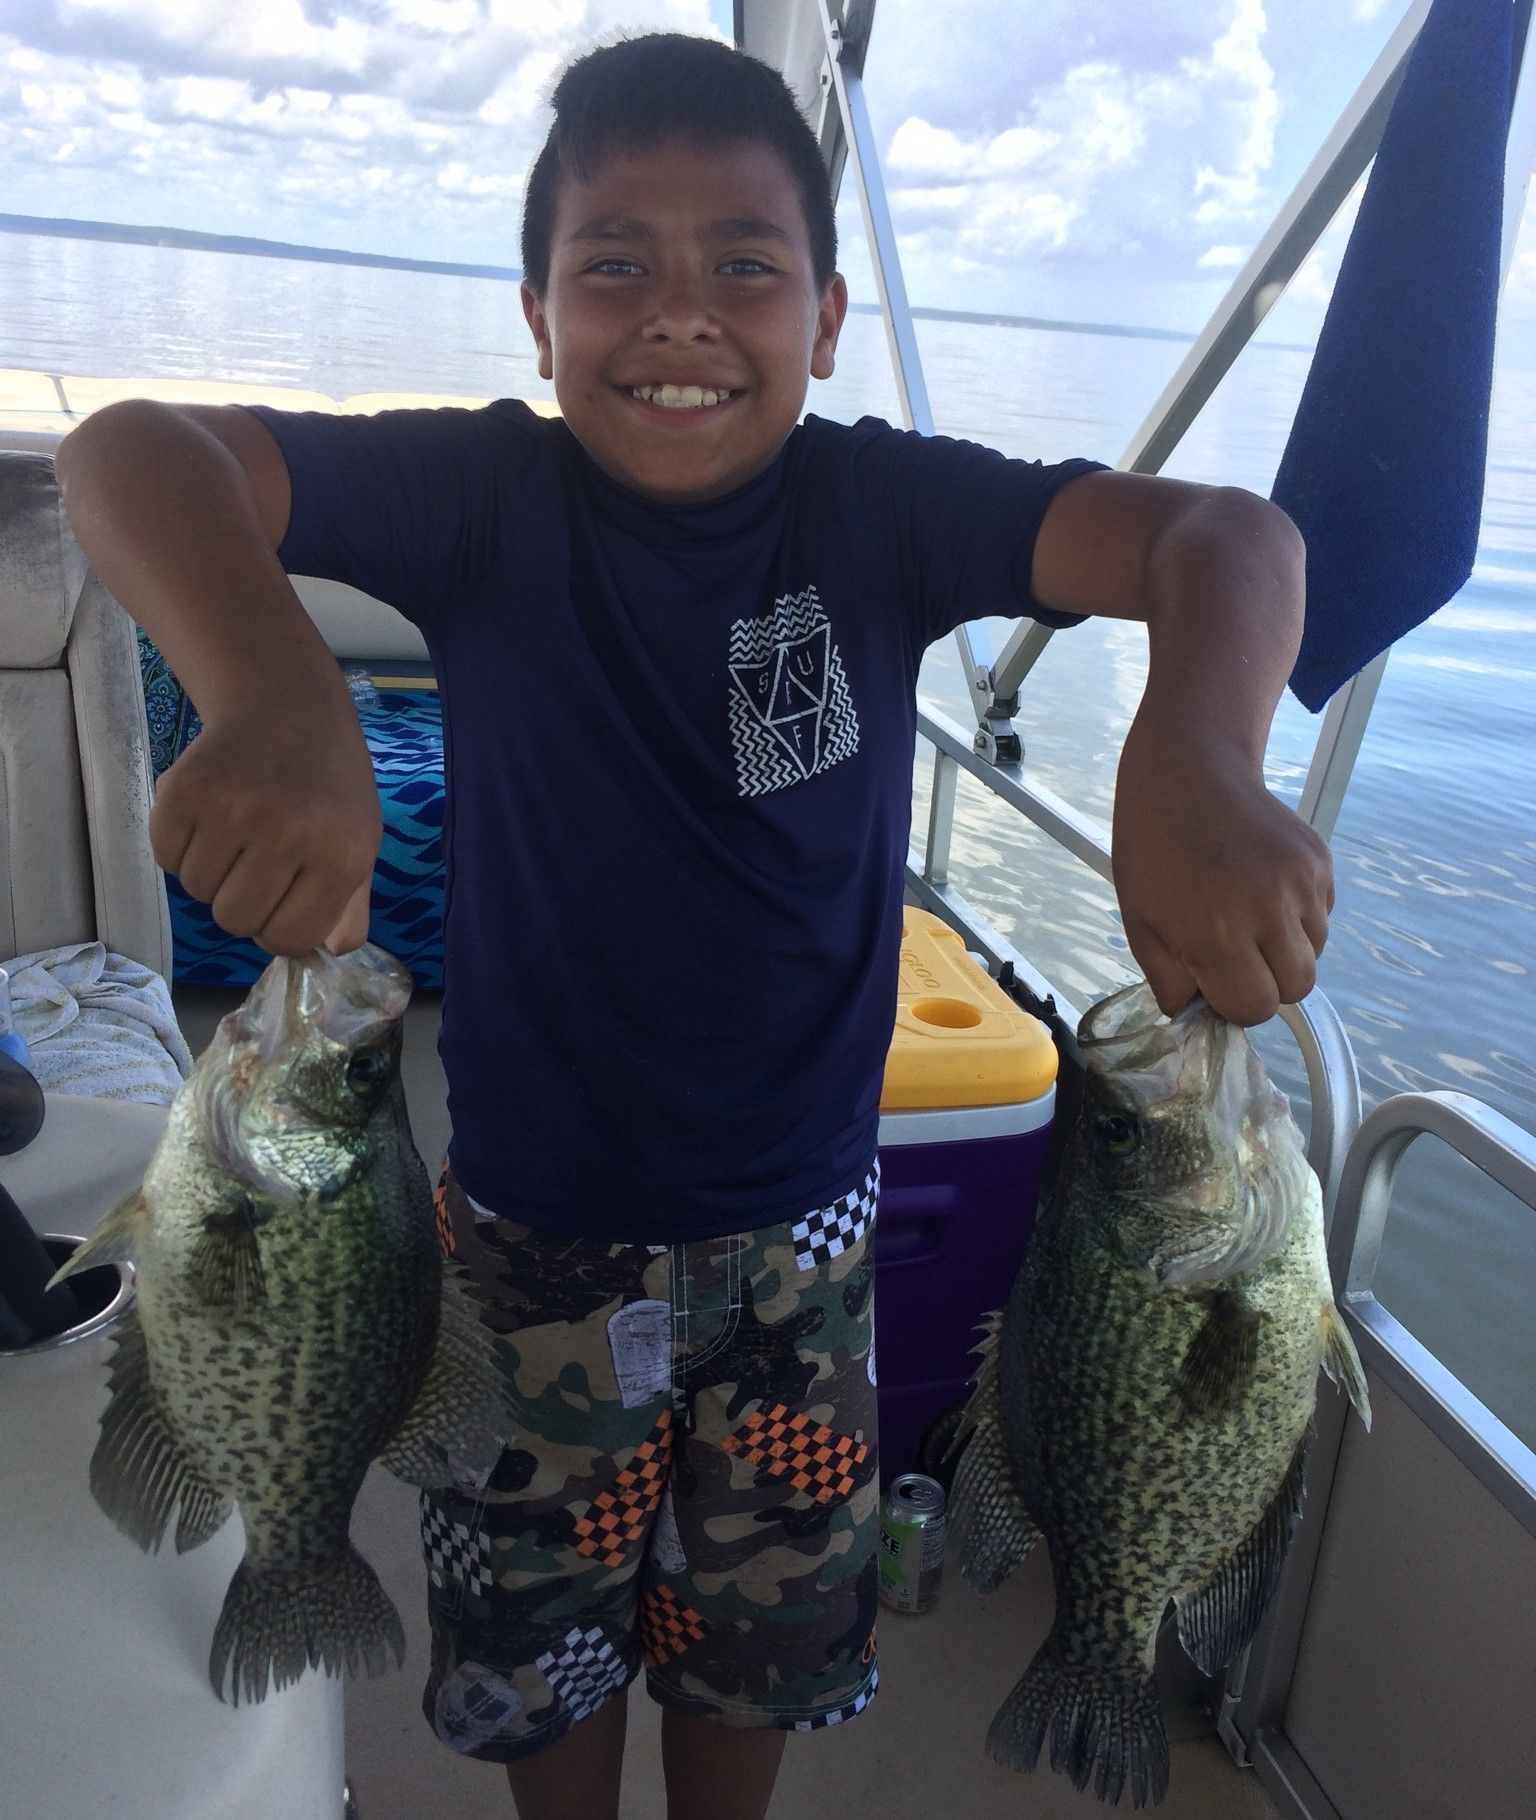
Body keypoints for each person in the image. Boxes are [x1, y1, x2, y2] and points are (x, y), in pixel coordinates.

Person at [54, 31, 1332, 1820]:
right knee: (538, 1643)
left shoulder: (884, 505)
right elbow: (136, 450)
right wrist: (274, 688)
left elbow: (1228, 535)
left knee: (766, 1635)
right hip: (523, 1237)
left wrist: (1198, 749)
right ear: (535, 309)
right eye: (614, 265)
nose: (679, 313)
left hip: (806, 1242)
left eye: (745, 263)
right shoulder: (482, 494)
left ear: (823, 319)